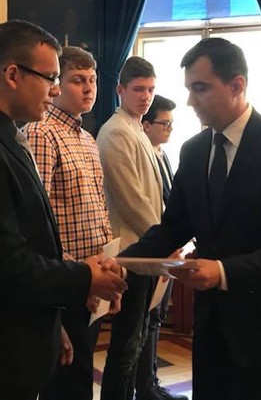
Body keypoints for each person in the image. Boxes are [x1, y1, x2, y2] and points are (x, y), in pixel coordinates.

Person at [120, 37, 261, 400]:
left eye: (200, 88)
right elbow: (173, 227)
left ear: (237, 85)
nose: (190, 101)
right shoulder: (194, 150)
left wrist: (224, 271)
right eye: (189, 89)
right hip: (211, 324)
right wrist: (122, 263)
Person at [0, 20, 126, 400]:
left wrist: (54, 323)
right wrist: (84, 277)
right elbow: (3, 265)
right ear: (12, 75)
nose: (56, 90)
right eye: (50, 78)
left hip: (22, 338)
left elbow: (35, 241)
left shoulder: (6, 135)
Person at [23, 46, 114, 400]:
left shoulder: (88, 139)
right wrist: (72, 281)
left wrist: (109, 269)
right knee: (65, 385)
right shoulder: (41, 132)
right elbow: (36, 220)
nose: (88, 88)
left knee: (81, 377)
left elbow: (100, 210)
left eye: (93, 80)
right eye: (78, 80)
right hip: (66, 280)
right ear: (57, 84)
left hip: (93, 278)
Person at [97, 56, 164, 400]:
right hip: (131, 251)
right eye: (138, 89)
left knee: (136, 341)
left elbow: (153, 194)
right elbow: (132, 199)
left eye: (150, 90)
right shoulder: (116, 131)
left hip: (145, 249)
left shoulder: (136, 127)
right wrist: (164, 240)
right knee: (125, 345)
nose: (146, 96)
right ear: (120, 89)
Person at [137, 94, 187, 400]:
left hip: (170, 251)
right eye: (163, 123)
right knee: (147, 320)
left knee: (157, 318)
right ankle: (144, 386)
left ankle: (151, 382)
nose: (169, 128)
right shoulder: (143, 156)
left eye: (171, 123)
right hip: (152, 251)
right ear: (146, 125)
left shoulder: (163, 155)